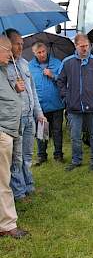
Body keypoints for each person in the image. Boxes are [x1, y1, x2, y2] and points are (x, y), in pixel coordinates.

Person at [5, 29, 46, 201]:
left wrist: (39, 113)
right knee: (17, 158)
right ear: (8, 45)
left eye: (22, 44)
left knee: (28, 155)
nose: (21, 47)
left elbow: (33, 92)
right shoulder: (3, 67)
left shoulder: (24, 64)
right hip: (16, 119)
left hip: (29, 117)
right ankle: (19, 192)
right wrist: (15, 87)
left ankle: (29, 186)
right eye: (17, 44)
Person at [57, 33, 93, 172]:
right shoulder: (67, 63)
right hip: (74, 107)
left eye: (87, 46)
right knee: (75, 136)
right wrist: (67, 98)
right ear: (76, 45)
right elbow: (60, 82)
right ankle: (76, 160)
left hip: (92, 107)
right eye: (82, 46)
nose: (85, 49)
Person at [0, 35, 28, 238]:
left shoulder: (2, 71)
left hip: (9, 129)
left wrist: (16, 90)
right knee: (3, 181)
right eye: (7, 49)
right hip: (2, 131)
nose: (11, 54)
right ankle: (8, 225)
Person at [29, 42, 65, 165]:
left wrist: (52, 75)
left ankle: (58, 155)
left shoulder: (57, 63)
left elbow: (64, 81)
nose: (42, 54)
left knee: (57, 131)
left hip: (57, 104)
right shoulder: (30, 66)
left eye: (43, 51)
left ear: (46, 50)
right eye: (39, 52)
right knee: (41, 132)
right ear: (34, 53)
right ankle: (41, 156)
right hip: (40, 106)